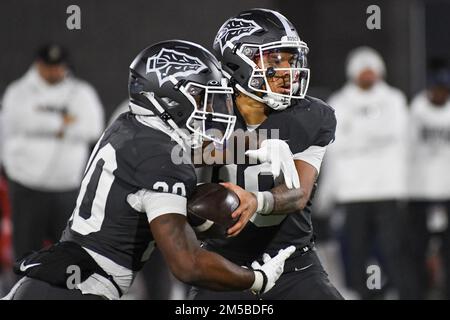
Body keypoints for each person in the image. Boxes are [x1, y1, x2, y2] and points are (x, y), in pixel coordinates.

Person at [2, 40, 294, 300]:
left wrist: (254, 144)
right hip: (82, 287)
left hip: (55, 278)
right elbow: (187, 265)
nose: (213, 107)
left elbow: (180, 154)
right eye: (203, 96)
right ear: (169, 95)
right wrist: (257, 279)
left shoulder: (130, 124)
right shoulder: (159, 158)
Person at [190, 9, 343, 300]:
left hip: (292, 264)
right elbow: (180, 174)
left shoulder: (311, 116)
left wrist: (257, 200)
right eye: (275, 60)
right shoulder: (204, 113)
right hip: (225, 264)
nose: (288, 72)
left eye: (290, 60)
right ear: (238, 61)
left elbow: (298, 193)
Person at [1, 44, 105, 260]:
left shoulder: (81, 93)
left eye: (59, 66)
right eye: (49, 67)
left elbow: (93, 127)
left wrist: (39, 124)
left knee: (68, 254)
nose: (54, 71)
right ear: (38, 65)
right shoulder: (18, 92)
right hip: (27, 187)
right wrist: (62, 123)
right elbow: (18, 121)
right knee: (26, 255)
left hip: (67, 189)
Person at [323, 47, 409, 299]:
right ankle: (359, 293)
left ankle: (395, 292)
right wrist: (375, 135)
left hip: (387, 188)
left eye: (372, 72)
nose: (368, 77)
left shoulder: (394, 99)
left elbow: (395, 133)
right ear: (353, 74)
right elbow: (336, 143)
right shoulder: (339, 102)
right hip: (352, 190)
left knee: (392, 247)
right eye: (364, 73)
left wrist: (356, 133)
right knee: (354, 248)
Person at [406, 64, 450, 299]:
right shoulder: (417, 110)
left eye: (445, 90)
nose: (441, 94)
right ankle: (419, 292)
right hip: (420, 193)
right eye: (437, 89)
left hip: (447, 192)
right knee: (418, 249)